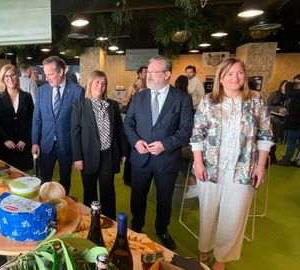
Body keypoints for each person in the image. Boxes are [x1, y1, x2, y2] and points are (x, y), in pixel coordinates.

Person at [190, 58, 272, 270]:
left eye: (239, 73)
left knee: (233, 214)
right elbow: (197, 135)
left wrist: (260, 166)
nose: (235, 78)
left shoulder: (256, 100)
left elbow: (265, 135)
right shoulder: (208, 101)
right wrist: (198, 163)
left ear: (245, 76)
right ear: (220, 78)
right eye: (229, 74)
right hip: (209, 166)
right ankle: (205, 248)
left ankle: (221, 257)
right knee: (208, 211)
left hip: (243, 168)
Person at [123, 56, 193, 250]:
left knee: (164, 198)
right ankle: (136, 227)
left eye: (154, 72)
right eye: (148, 72)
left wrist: (165, 144)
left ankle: (162, 229)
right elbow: (128, 123)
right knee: (137, 196)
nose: (149, 76)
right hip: (141, 158)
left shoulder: (182, 99)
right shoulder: (139, 97)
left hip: (167, 159)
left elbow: (186, 130)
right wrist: (136, 142)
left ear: (167, 74)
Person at [71, 70, 127, 220]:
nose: (100, 86)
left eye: (103, 83)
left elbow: (119, 131)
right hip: (87, 156)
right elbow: (75, 134)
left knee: (107, 191)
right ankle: (91, 220)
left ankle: (109, 221)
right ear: (90, 84)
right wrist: (77, 158)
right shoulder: (79, 106)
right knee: (89, 191)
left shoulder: (113, 105)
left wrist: (123, 153)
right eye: (97, 82)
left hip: (108, 155)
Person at [31, 56, 85, 194]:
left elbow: (80, 123)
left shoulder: (77, 91)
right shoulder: (42, 90)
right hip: (46, 144)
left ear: (61, 72)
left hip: (66, 145)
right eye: (46, 74)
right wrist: (35, 142)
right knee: (44, 180)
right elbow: (37, 119)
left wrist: (79, 151)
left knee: (65, 180)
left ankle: (63, 206)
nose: (46, 78)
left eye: (50, 74)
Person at [0, 64, 34, 171]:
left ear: (17, 76)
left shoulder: (26, 96)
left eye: (12, 75)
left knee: (24, 177)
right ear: (3, 79)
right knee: (7, 175)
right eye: (7, 76)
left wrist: (24, 139)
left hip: (23, 145)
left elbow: (31, 120)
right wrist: (5, 139)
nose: (10, 79)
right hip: (5, 145)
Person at [276, 81, 300, 166]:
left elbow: (288, 92)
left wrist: (292, 83)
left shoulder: (297, 94)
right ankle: (297, 160)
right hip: (295, 122)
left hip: (295, 122)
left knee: (291, 141)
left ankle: (286, 160)